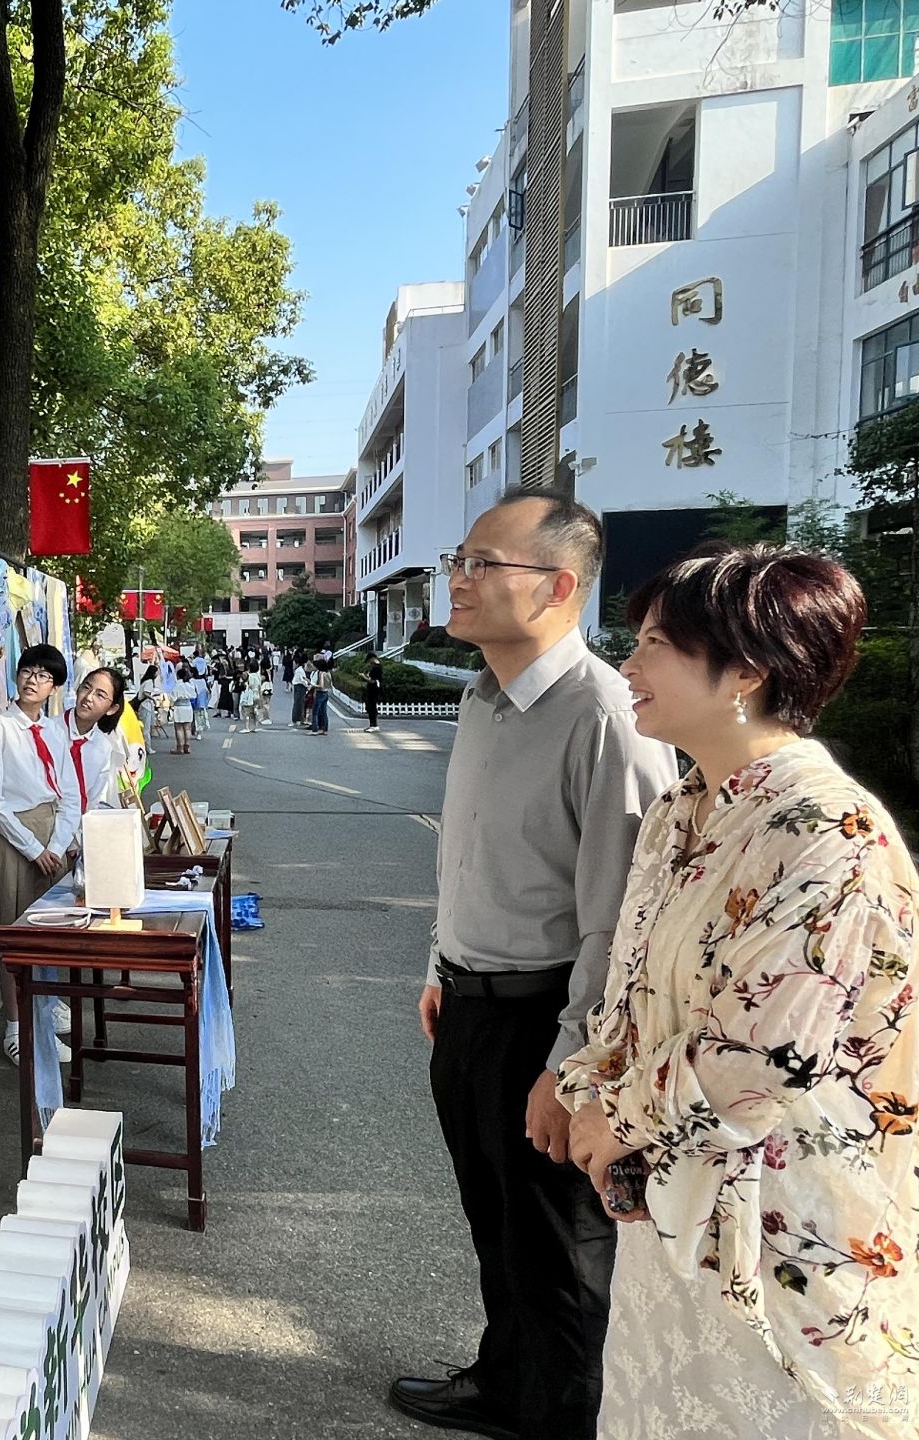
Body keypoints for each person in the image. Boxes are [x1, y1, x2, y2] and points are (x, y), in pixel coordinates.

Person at [558, 545, 919, 1440]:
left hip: (786, 1228)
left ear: (748, 672)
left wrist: (614, 1118)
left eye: (654, 645)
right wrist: (591, 1093)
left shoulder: (829, 830)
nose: (628, 668)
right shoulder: (683, 807)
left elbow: (767, 1057)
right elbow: (631, 990)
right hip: (672, 1203)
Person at [390, 495, 677, 1440]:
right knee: (495, 1222)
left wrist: (571, 1063)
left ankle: (562, 1418)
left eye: (483, 563)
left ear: (559, 587)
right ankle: (504, 1383)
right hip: (470, 1004)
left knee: (560, 1252)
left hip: (548, 1021)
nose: (458, 579)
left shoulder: (607, 717)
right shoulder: (482, 698)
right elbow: (467, 853)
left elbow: (620, 920)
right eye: (458, 559)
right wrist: (442, 963)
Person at [0, 643, 78, 1066]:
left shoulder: (56, 731)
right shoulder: (0, 729)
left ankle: (44, 1013)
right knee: (12, 938)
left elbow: (70, 794)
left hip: (51, 834)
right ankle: (16, 1028)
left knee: (48, 936)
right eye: (27, 672)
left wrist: (55, 846)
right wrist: (34, 848)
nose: (32, 681)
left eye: (43, 676)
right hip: (13, 838)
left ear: (54, 687)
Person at [62, 667, 125, 810]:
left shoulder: (103, 746)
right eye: (86, 688)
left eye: (100, 695)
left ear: (111, 709)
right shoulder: (48, 732)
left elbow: (93, 799)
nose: (89, 697)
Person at [170, 663, 196, 754]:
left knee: (179, 728)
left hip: (179, 707)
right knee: (187, 728)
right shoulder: (190, 685)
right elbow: (194, 695)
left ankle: (179, 747)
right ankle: (187, 746)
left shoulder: (177, 685)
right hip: (188, 706)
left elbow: (173, 697)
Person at [308, 650, 334, 735]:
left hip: (320, 693)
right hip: (326, 693)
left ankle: (315, 730)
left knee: (315, 712)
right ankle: (324, 729)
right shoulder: (328, 673)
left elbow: (321, 685)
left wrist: (312, 684)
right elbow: (329, 684)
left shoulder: (321, 673)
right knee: (324, 712)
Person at [290, 650, 311, 728]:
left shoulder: (299, 671)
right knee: (299, 703)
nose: (293, 665)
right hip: (299, 687)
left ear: (297, 663)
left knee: (298, 703)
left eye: (294, 663)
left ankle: (296, 719)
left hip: (300, 687)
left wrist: (307, 686)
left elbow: (302, 680)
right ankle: (299, 719)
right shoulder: (299, 670)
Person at [364, 652, 384, 732]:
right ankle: (372, 725)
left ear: (372, 658)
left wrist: (363, 677)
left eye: (369, 661)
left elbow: (372, 681)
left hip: (373, 689)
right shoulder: (376, 667)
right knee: (370, 707)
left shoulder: (377, 668)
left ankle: (374, 725)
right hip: (372, 689)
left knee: (372, 707)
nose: (369, 663)